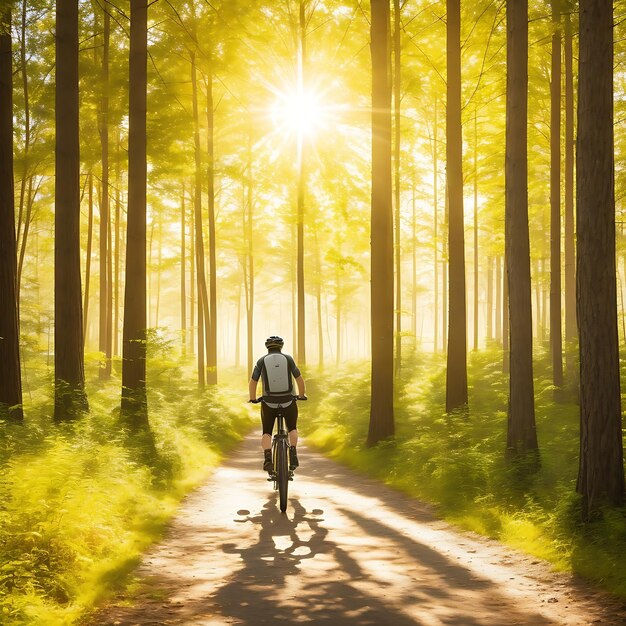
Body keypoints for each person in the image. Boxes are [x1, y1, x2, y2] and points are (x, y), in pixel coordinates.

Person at [248, 336, 306, 473]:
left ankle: (268, 459)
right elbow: (299, 379)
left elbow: (253, 382)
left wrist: (253, 398)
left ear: (267, 347)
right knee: (292, 428)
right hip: (288, 401)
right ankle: (293, 453)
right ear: (281, 346)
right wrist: (302, 395)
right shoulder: (288, 359)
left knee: (267, 431)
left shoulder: (261, 360)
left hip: (269, 403)